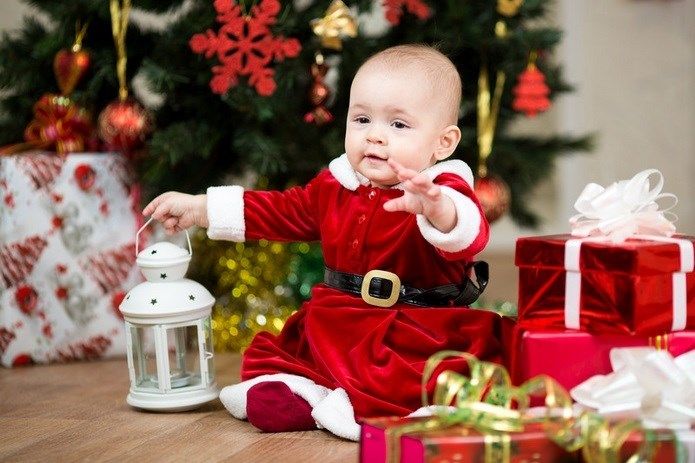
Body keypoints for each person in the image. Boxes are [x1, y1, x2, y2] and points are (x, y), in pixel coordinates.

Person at [143, 44, 505, 440]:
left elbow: (469, 235)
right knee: (291, 359)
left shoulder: (442, 189)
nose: (375, 137)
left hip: (415, 328)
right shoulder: (336, 186)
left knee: (415, 380)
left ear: (443, 143)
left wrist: (437, 210)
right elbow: (280, 211)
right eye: (362, 119)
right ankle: (306, 393)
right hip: (337, 321)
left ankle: (385, 408)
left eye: (399, 125)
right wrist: (202, 208)